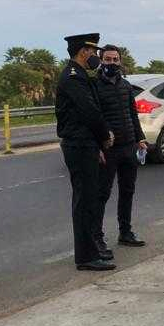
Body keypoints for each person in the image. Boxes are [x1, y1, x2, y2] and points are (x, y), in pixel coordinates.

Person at [56, 33, 115, 271]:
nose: (95, 57)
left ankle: (91, 251)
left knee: (89, 200)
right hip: (79, 145)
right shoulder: (73, 78)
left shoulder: (80, 75)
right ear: (83, 52)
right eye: (92, 52)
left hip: (85, 144)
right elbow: (90, 112)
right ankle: (86, 256)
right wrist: (104, 138)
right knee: (84, 202)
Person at [93, 45, 148, 255]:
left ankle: (126, 232)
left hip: (129, 147)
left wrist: (140, 139)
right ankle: (97, 238)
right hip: (108, 150)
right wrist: (98, 145)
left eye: (115, 60)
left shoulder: (126, 86)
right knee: (102, 194)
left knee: (128, 191)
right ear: (101, 60)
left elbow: (132, 116)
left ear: (120, 61)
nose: (112, 63)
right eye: (108, 59)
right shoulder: (95, 86)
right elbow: (94, 118)